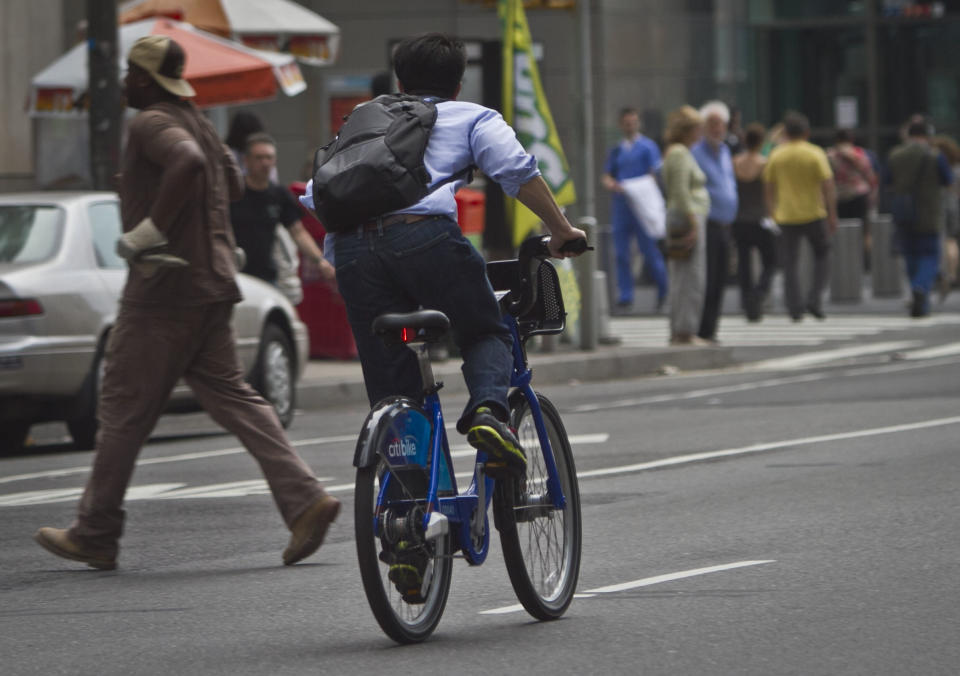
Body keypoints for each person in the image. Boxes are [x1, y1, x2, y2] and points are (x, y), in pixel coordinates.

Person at [33, 36, 339, 571]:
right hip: (212, 285)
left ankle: (95, 532)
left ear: (148, 80)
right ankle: (305, 500)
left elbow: (190, 163)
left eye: (131, 72)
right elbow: (232, 181)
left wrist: (152, 227)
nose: (125, 80)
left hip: (162, 294)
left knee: (123, 409)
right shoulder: (196, 118)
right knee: (235, 398)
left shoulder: (152, 122)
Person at [230, 132, 335, 302]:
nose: (264, 163)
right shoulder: (233, 193)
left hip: (267, 277)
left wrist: (320, 261)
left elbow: (298, 232)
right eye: (259, 158)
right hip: (235, 275)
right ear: (246, 161)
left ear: (275, 161)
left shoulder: (279, 195)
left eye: (269, 158)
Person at [763, 111, 838, 321]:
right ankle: (814, 298)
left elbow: (768, 186)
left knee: (789, 263)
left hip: (786, 215)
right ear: (806, 132)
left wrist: (771, 212)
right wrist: (832, 213)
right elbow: (828, 185)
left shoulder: (777, 155)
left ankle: (794, 308)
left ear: (785, 131)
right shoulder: (815, 153)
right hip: (814, 212)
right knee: (822, 255)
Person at [886, 119, 955, 317]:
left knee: (910, 256)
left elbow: (887, 182)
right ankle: (920, 288)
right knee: (929, 257)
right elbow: (948, 181)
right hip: (929, 213)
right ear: (927, 136)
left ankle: (920, 302)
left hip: (903, 213)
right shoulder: (935, 156)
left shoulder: (895, 155)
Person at [601, 107, 668, 312]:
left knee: (649, 250)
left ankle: (663, 290)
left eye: (633, 122)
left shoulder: (648, 147)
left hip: (641, 206)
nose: (630, 126)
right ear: (621, 125)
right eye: (626, 122)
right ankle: (626, 294)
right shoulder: (617, 150)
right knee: (621, 252)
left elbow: (654, 173)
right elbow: (607, 176)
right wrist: (612, 185)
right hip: (622, 206)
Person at [661, 105, 710, 345]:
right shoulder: (680, 152)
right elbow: (680, 191)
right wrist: (693, 222)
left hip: (681, 214)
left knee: (683, 275)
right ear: (688, 130)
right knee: (690, 276)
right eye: (698, 128)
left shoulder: (677, 151)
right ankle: (685, 331)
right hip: (687, 215)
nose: (701, 132)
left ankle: (681, 329)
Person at [691, 101, 738, 343]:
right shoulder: (696, 153)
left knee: (721, 278)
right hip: (706, 223)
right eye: (712, 124)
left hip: (725, 224)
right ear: (704, 126)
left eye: (721, 124)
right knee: (706, 279)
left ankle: (712, 329)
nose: (717, 129)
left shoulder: (726, 151)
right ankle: (702, 329)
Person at [731, 122, 778, 321]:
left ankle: (746, 299)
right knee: (771, 261)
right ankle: (758, 293)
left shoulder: (735, 162)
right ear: (760, 142)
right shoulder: (764, 163)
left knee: (743, 263)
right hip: (759, 218)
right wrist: (772, 216)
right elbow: (769, 195)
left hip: (739, 218)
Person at [827, 129, 877, 268]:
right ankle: (866, 262)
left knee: (840, 230)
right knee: (864, 231)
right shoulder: (860, 153)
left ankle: (843, 261)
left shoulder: (831, 155)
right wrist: (873, 194)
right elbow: (870, 175)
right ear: (851, 139)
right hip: (860, 194)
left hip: (840, 196)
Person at [933, 135, 960, 302]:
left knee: (947, 241)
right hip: (954, 206)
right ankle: (952, 274)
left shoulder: (944, 169)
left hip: (945, 206)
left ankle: (948, 275)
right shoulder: (956, 168)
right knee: (953, 240)